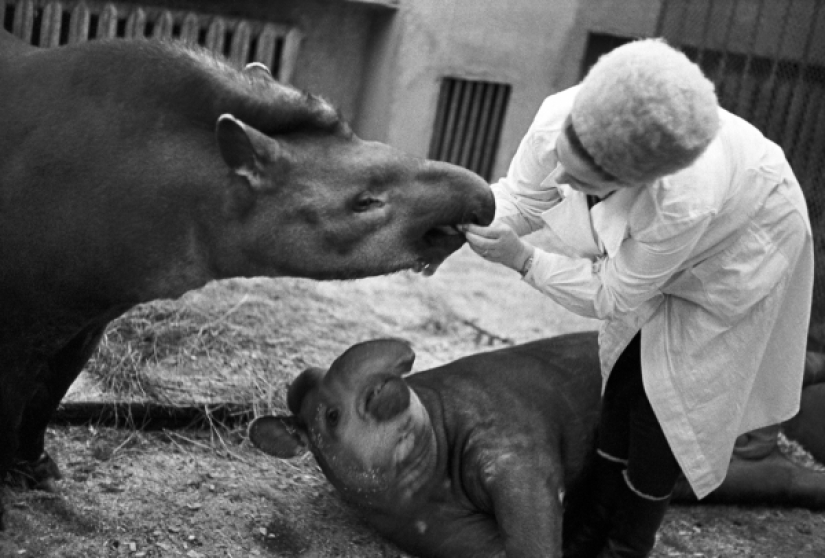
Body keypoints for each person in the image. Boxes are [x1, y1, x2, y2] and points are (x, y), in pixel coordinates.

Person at [459, 38, 814, 558]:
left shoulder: (680, 199)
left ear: (628, 183)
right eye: (563, 158)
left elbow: (612, 294)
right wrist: (461, 227)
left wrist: (524, 260)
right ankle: (581, 532)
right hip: (679, 224)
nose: (559, 177)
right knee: (627, 374)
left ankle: (628, 543)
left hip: (745, 239)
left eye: (578, 180)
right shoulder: (564, 114)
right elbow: (523, 195)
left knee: (670, 402)